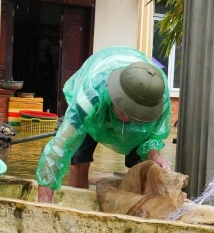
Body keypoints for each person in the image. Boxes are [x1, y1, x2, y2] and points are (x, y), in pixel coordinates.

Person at [37, 45, 172, 203]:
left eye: (134, 114)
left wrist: (154, 155)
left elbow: (152, 136)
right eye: (124, 110)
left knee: (144, 168)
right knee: (80, 161)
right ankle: (78, 207)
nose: (128, 119)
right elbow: (58, 149)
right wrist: (44, 202)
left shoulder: (157, 102)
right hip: (96, 115)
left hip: (139, 123)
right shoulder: (89, 98)